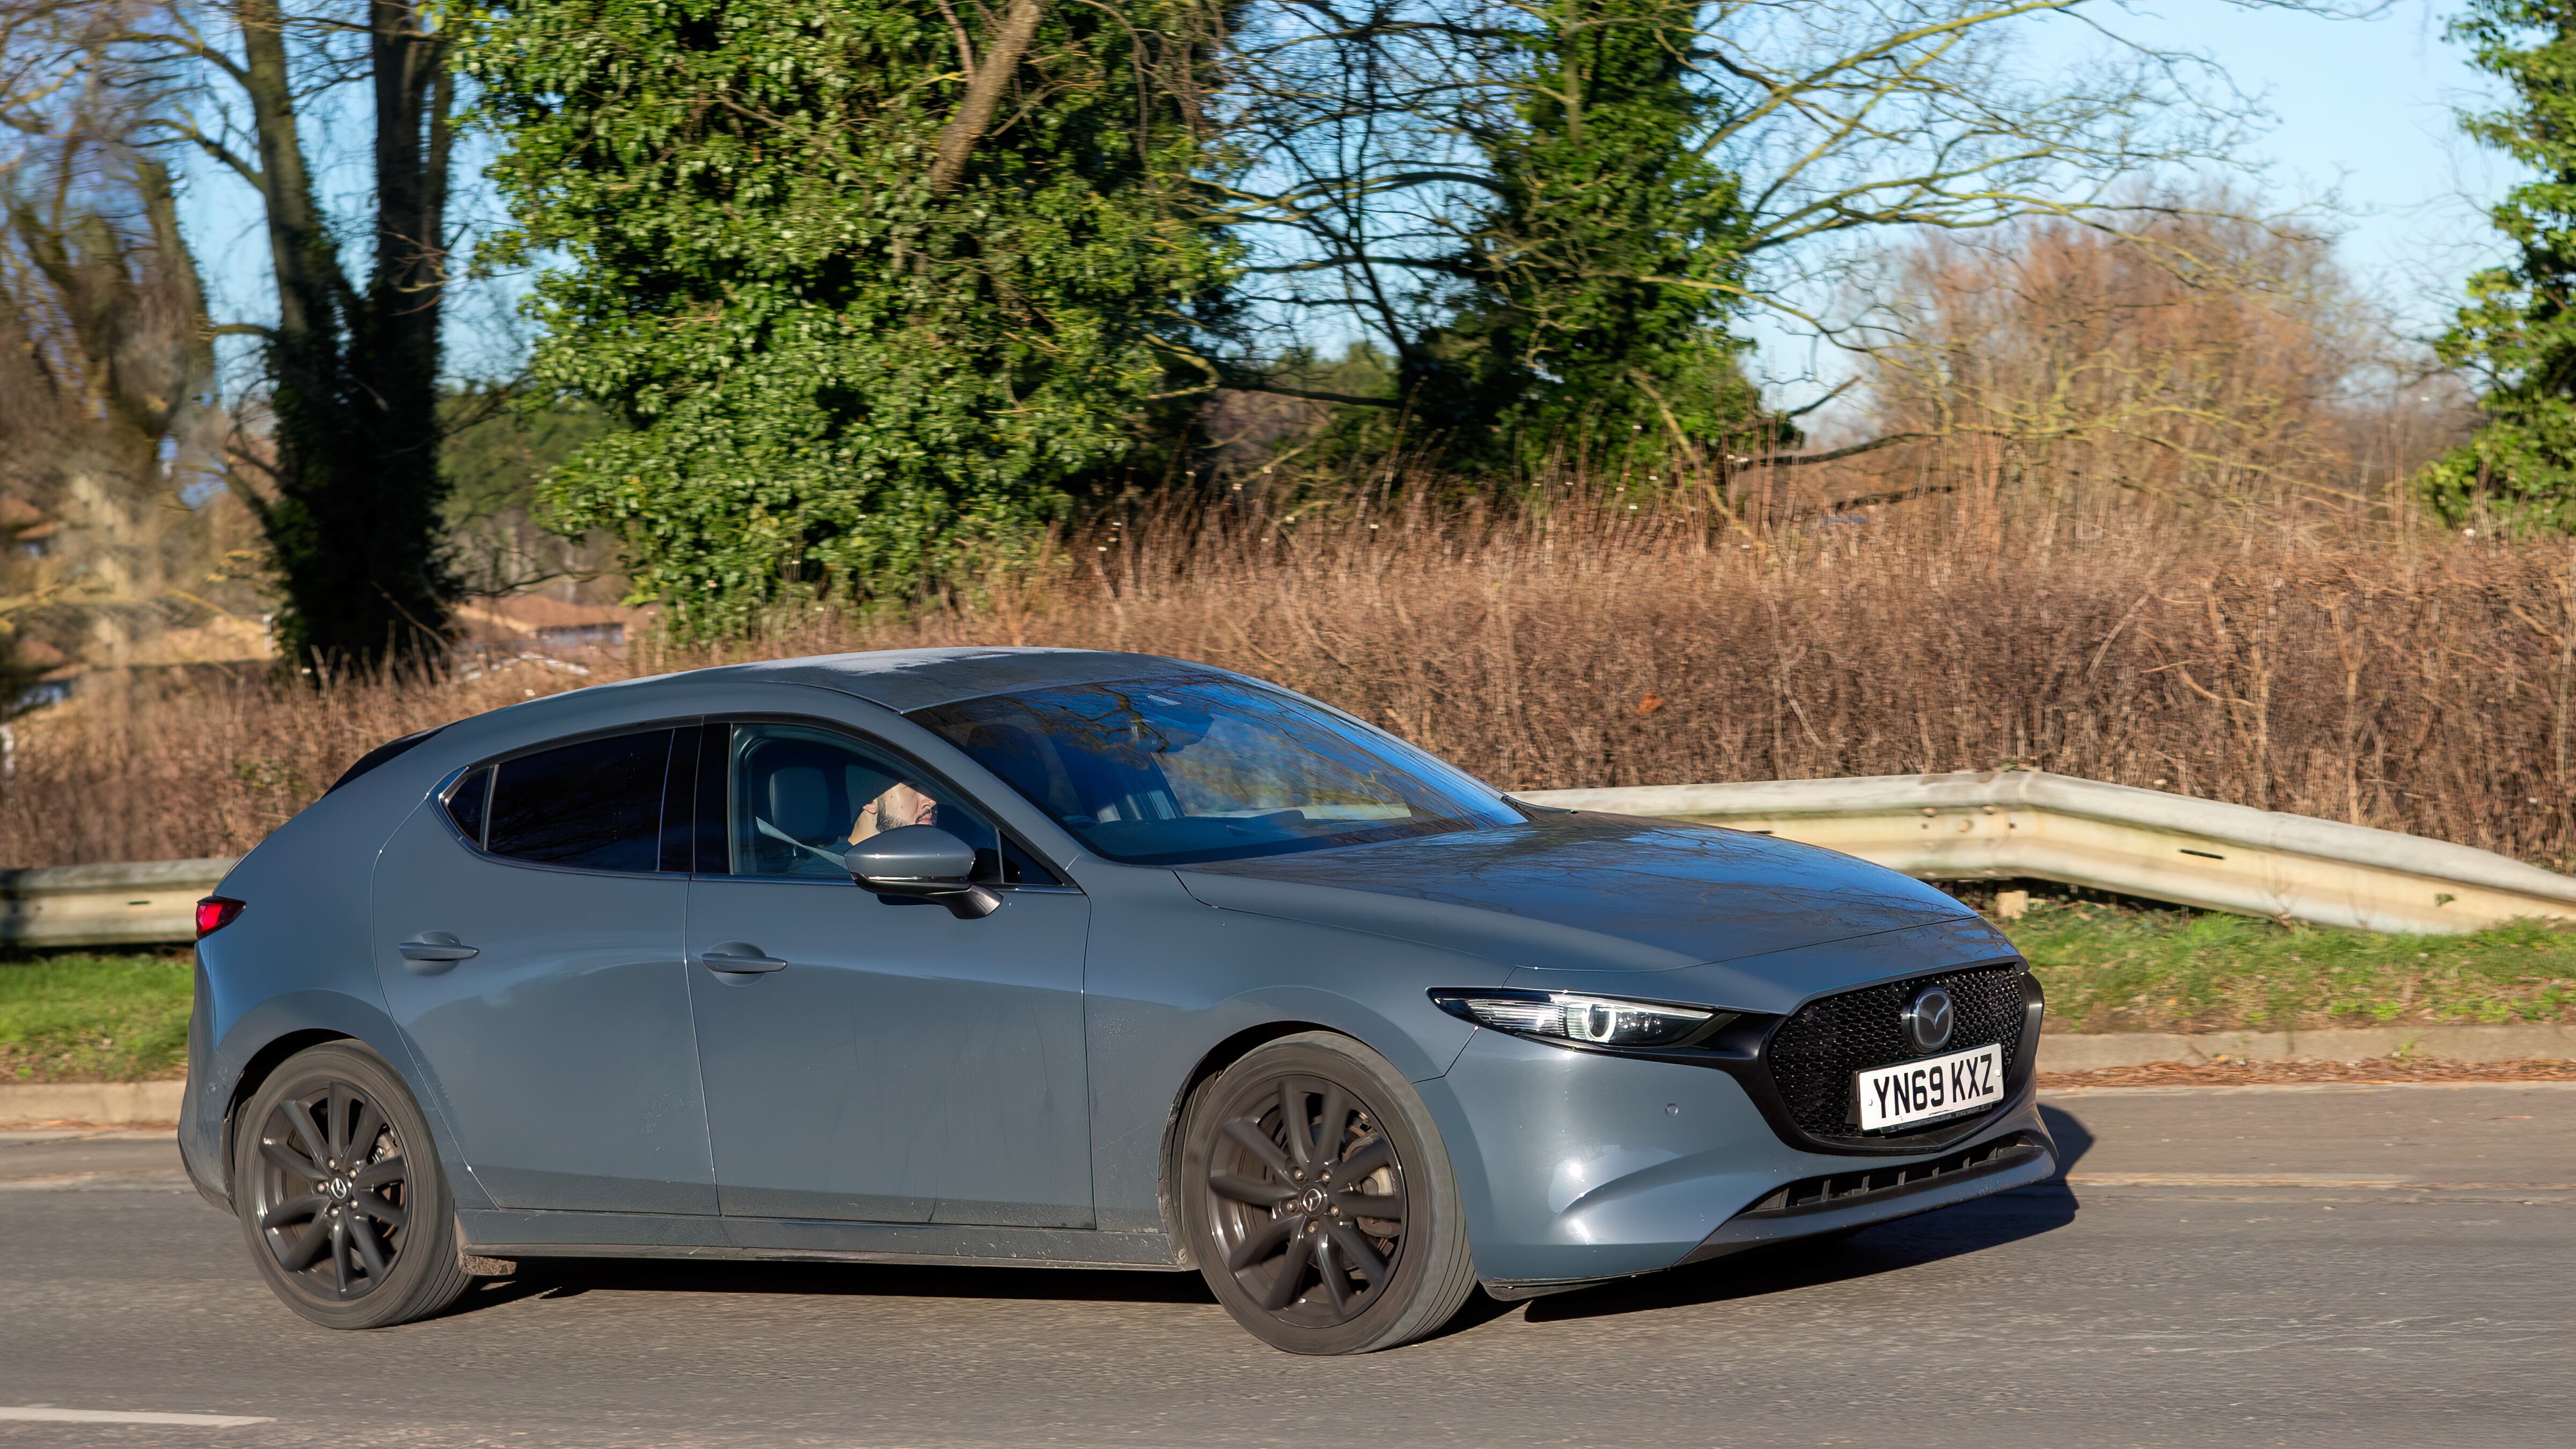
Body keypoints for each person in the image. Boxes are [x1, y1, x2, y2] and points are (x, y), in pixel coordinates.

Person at [849, 779, 939, 845]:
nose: (932, 802)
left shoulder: (936, 865)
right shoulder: (838, 868)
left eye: (931, 788)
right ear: (870, 802)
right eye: (913, 786)